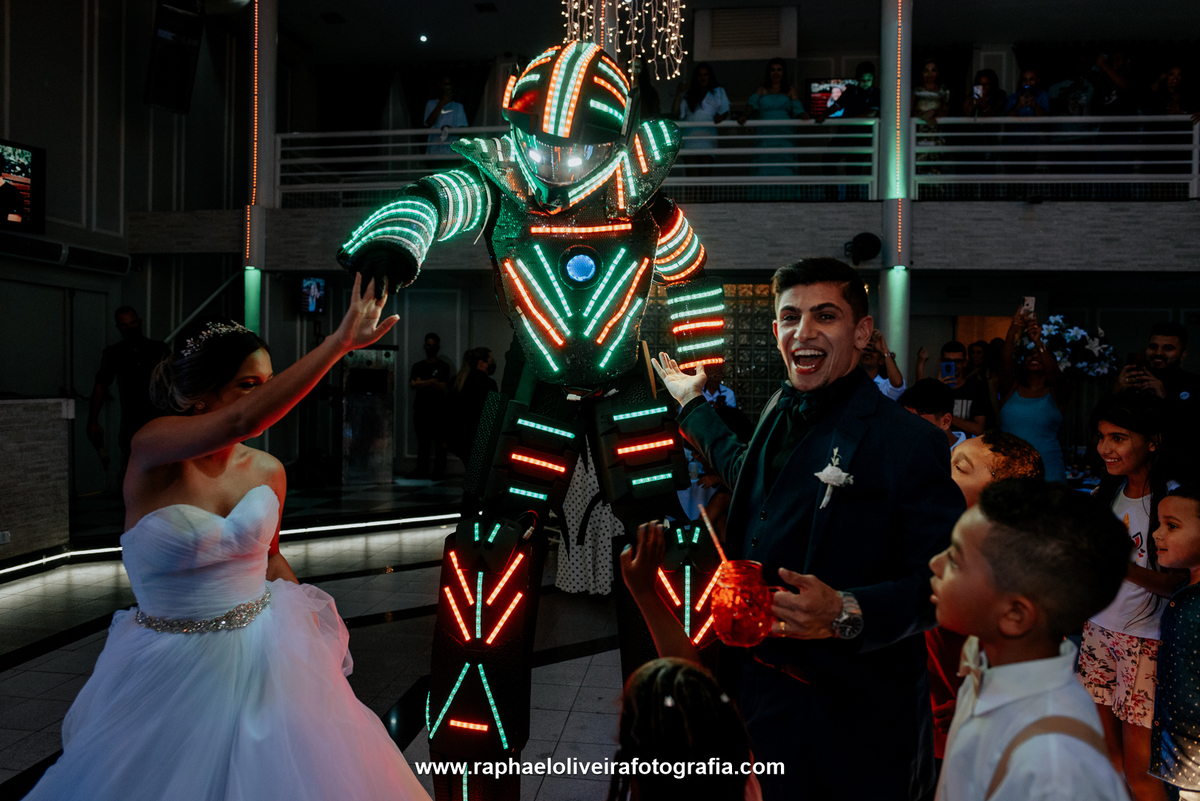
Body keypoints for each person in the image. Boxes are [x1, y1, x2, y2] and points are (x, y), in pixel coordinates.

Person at [24, 275, 432, 801]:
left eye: (267, 381)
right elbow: (244, 418)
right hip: (165, 663)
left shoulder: (267, 469)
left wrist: (312, 636)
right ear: (200, 395)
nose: (264, 398)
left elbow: (270, 558)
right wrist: (338, 345)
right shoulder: (153, 449)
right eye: (249, 383)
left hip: (267, 654)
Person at [653, 258, 965, 800]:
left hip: (852, 712)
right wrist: (691, 403)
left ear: (862, 332)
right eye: (791, 317)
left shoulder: (911, 443)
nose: (805, 332)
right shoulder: (778, 405)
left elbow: (945, 585)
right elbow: (750, 473)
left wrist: (846, 610)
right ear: (776, 331)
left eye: (826, 315)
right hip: (756, 690)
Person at [930, 479, 1132, 801]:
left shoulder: (1054, 767)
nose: (935, 564)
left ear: (1015, 615)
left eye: (955, 560)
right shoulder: (985, 668)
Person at [1078, 393, 1185, 801]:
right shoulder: (1107, 492)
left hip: (1147, 640)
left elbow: (1179, 582)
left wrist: (1118, 563)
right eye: (1102, 437)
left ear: (1153, 441)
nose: (1106, 447)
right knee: (1107, 757)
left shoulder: (1173, 499)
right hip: (1099, 632)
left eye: (1119, 437)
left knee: (1141, 771)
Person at [1148, 485, 1200, 798]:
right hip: (1179, 753)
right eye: (1159, 523)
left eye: (1172, 526)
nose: (1156, 534)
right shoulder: (1185, 590)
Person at [87, 306, 171, 477]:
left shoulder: (158, 349)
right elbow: (101, 385)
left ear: (139, 322)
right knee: (136, 472)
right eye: (124, 325)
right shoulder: (114, 353)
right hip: (132, 422)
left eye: (132, 323)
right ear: (119, 327)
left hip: (159, 419)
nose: (130, 327)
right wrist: (93, 420)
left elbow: (176, 381)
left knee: (163, 470)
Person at [1114, 322, 1200, 480]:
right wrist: (1116, 391)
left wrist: (1164, 399)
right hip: (1131, 470)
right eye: (1153, 347)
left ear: (1183, 354)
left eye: (1168, 348)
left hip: (1179, 473)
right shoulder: (1131, 381)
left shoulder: (1194, 384)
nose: (1158, 353)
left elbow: (1191, 434)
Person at [998, 306, 1066, 483]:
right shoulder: (1011, 387)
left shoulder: (1057, 392)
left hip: (1048, 471)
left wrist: (1038, 342)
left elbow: (1056, 376)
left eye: (1039, 354)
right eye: (1030, 354)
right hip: (1010, 470)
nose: (1034, 356)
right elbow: (1005, 365)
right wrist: (1013, 330)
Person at [738, 58, 808, 176]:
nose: (776, 73)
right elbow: (751, 104)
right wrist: (744, 115)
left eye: (779, 70)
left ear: (784, 72)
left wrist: (803, 115)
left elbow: (798, 108)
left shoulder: (790, 90)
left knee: (784, 166)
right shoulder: (761, 90)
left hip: (784, 134)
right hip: (765, 133)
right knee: (764, 166)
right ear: (768, 72)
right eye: (773, 70)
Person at [917, 341, 990, 436]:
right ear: (941, 361)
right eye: (948, 361)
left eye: (957, 361)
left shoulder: (976, 389)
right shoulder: (934, 388)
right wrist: (938, 389)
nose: (953, 365)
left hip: (964, 447)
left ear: (964, 362)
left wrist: (946, 416)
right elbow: (919, 403)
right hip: (935, 443)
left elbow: (978, 429)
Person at [672, 63, 730, 175]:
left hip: (708, 138)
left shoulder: (718, 91)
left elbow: (725, 110)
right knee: (691, 173)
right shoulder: (688, 94)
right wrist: (679, 94)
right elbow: (676, 113)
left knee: (706, 174)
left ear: (710, 76)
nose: (702, 77)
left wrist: (720, 117)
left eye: (705, 74)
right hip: (690, 139)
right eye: (699, 75)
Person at [408, 332, 451, 479]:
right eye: (428, 345)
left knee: (440, 442)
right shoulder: (418, 366)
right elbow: (413, 384)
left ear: (438, 347)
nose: (431, 348)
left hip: (438, 409)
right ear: (424, 346)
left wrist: (423, 383)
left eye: (433, 345)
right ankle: (421, 470)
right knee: (423, 442)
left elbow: (443, 386)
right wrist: (432, 381)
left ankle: (439, 471)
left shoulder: (444, 366)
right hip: (421, 409)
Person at [448, 346, 497, 459]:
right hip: (480, 435)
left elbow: (448, 409)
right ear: (482, 363)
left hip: (459, 435)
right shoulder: (488, 383)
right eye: (491, 361)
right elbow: (493, 412)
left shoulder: (456, 381)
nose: (493, 364)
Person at [900, 378, 963, 450]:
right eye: (907, 420)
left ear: (946, 421)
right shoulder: (903, 451)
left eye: (919, 421)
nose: (910, 428)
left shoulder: (972, 457)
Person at [913, 59, 950, 176]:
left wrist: (933, 112)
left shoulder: (943, 91)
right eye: (926, 71)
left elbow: (946, 110)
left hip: (936, 134)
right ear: (921, 74)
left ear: (937, 73)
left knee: (935, 168)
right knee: (919, 168)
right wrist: (923, 116)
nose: (930, 74)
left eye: (933, 70)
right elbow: (909, 111)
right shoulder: (916, 91)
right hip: (919, 134)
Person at [424, 76, 469, 157]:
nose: (447, 86)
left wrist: (451, 129)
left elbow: (464, 130)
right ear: (439, 85)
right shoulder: (430, 104)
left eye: (449, 84)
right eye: (444, 84)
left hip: (452, 152)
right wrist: (441, 104)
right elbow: (429, 123)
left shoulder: (458, 107)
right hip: (434, 152)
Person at [860, 327, 905, 401]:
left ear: (881, 361)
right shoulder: (849, 382)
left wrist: (884, 350)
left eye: (874, 350)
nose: (869, 353)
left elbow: (897, 384)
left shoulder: (885, 385)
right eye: (866, 349)